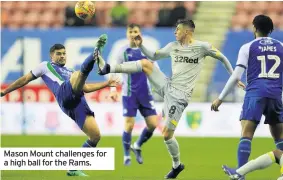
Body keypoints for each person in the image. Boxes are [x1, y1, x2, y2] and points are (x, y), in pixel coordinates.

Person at [96, 19, 244, 179]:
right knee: (146, 63)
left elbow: (223, 58)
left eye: (178, 30)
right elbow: (153, 55)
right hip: (168, 85)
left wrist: (234, 77)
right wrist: (141, 45)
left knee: (166, 134)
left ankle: (177, 165)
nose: (175, 32)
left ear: (187, 31)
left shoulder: (203, 47)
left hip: (180, 97)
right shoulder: (173, 46)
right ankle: (108, 68)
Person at [1, 35, 119, 177]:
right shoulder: (45, 66)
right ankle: (94, 53)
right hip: (63, 94)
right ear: (52, 55)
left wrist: (106, 84)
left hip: (77, 102)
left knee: (95, 136)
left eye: (64, 54)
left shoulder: (69, 71)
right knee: (77, 75)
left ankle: (73, 168)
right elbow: (25, 79)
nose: (62, 56)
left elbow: (85, 88)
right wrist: (5, 90)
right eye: (58, 54)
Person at [211, 15, 283, 179]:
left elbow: (237, 76)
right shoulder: (281, 46)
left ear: (254, 28)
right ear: (271, 30)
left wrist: (220, 98)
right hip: (276, 94)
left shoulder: (248, 47)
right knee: (279, 137)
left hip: (255, 93)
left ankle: (240, 172)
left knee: (247, 132)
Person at [108, 24, 158, 166]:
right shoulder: (122, 51)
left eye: (135, 31)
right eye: (130, 31)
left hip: (145, 93)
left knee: (153, 124)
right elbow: (114, 70)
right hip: (129, 93)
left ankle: (137, 146)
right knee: (129, 125)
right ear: (127, 34)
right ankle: (126, 156)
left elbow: (155, 70)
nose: (133, 34)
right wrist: (112, 90)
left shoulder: (147, 51)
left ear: (140, 33)